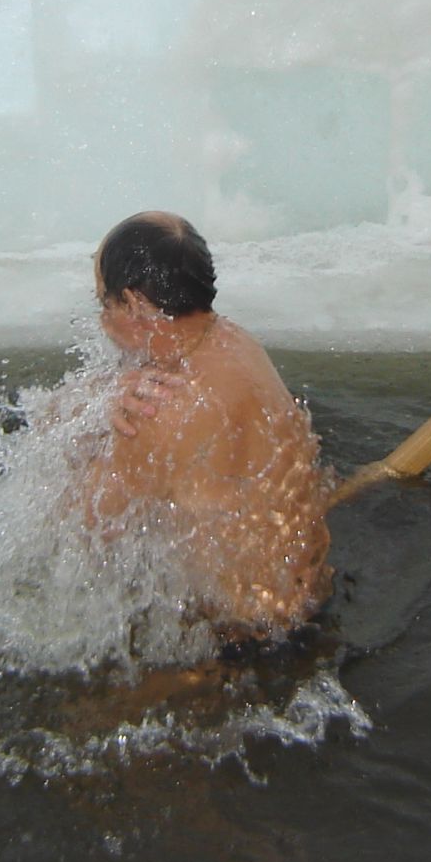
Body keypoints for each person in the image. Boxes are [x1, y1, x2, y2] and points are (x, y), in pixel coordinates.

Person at [77, 211, 332, 642]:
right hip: (308, 603)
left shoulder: (160, 409)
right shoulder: (235, 344)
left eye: (104, 302)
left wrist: (91, 415)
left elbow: (77, 534)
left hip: (233, 640)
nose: (102, 320)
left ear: (136, 304)